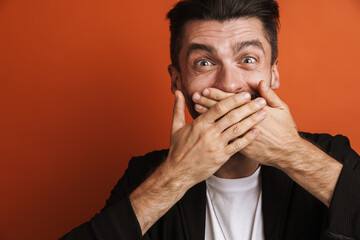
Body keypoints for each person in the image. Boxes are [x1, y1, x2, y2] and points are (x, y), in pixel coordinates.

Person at [60, 0, 360, 239]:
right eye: (204, 63)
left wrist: (293, 154)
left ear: (273, 73)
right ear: (178, 81)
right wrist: (178, 175)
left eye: (248, 60)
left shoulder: (331, 155)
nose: (229, 85)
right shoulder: (145, 175)